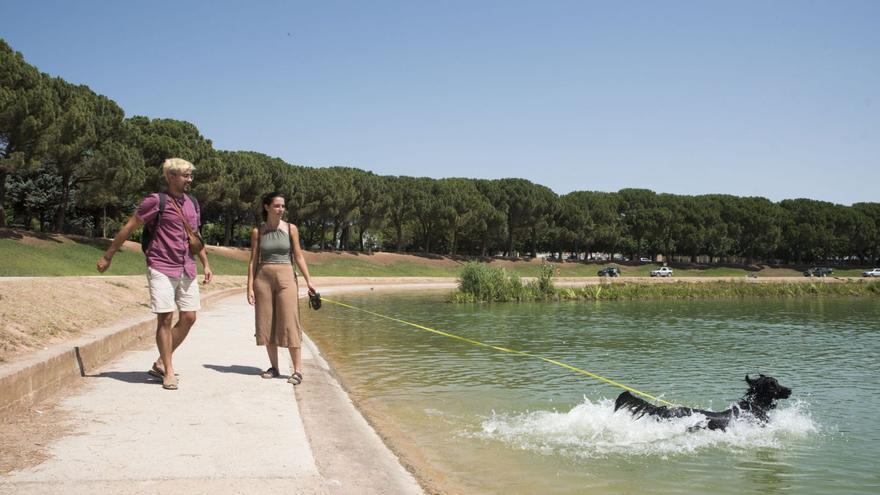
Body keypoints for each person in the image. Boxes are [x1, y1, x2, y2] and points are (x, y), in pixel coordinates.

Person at [96, 158, 212, 390]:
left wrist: (206, 264)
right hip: (160, 265)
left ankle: (160, 361)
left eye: (191, 175)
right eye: (185, 175)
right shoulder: (155, 201)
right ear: (170, 176)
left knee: (189, 317)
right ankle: (168, 371)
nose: (190, 180)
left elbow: (195, 236)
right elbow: (129, 227)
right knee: (165, 317)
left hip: (186, 266)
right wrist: (109, 254)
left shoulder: (193, 203)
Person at [247, 192, 317, 385]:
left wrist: (309, 280)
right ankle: (274, 367)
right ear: (266, 207)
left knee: (290, 321)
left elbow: (299, 256)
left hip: (286, 276)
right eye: (277, 206)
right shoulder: (257, 231)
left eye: (283, 206)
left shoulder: (291, 228)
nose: (281, 209)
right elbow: (253, 260)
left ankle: (297, 370)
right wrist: (249, 287)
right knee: (266, 322)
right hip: (263, 278)